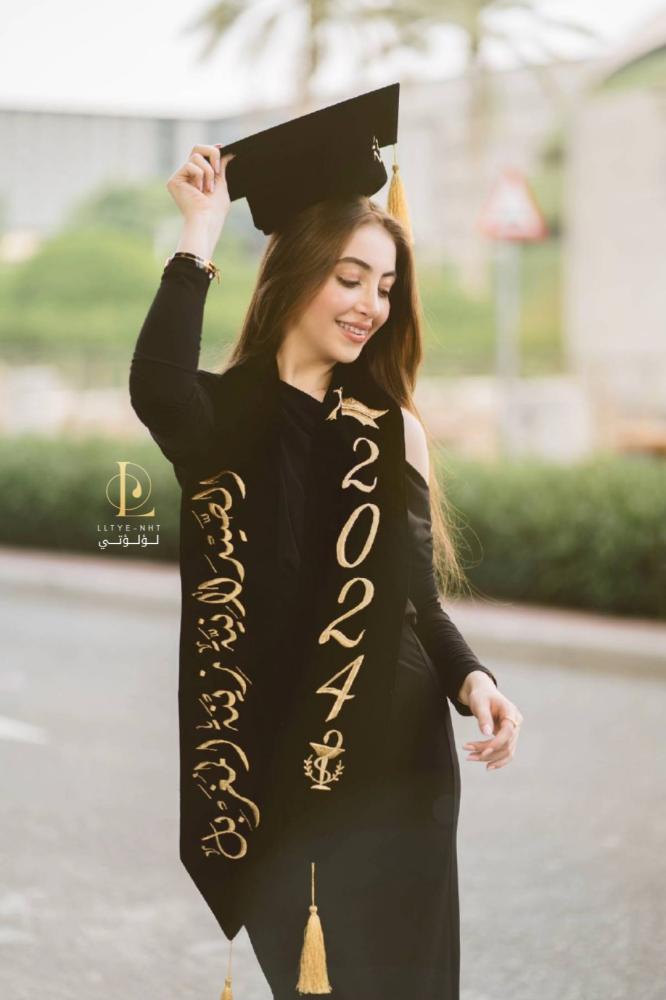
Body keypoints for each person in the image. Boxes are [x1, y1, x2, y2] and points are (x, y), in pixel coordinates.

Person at [129, 84, 523, 1000]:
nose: (371, 305)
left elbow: (417, 602)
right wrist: (200, 230)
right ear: (296, 274)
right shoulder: (220, 419)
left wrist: (475, 681)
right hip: (278, 774)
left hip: (399, 773)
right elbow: (155, 382)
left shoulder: (391, 431)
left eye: (385, 287)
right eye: (350, 278)